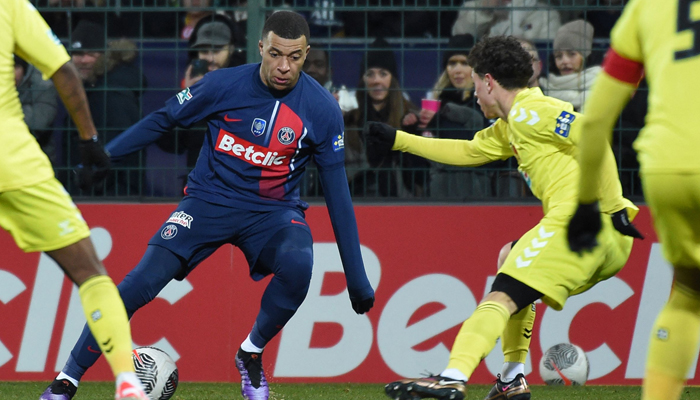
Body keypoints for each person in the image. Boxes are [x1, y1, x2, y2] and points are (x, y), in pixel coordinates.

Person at [39, 10, 375, 400]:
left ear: (306, 53)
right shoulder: (221, 84)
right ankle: (66, 380)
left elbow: (338, 195)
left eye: (295, 57)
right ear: (261, 47)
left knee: (300, 265)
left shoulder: (322, 110)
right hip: (206, 204)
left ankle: (250, 353)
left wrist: (356, 276)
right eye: (276, 54)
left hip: (273, 214)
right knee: (135, 286)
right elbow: (164, 119)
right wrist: (106, 157)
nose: (284, 66)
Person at [365, 35, 643, 400]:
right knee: (508, 260)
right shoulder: (512, 125)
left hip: (582, 222)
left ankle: (452, 377)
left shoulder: (531, 112)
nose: (475, 93)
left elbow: (591, 134)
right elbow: (468, 150)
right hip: (603, 239)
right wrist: (399, 139)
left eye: (477, 83)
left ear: (489, 81)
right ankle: (511, 379)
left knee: (502, 296)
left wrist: (613, 204)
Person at [2, 1, 148, 400]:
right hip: (12, 160)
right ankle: (127, 381)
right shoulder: (10, 8)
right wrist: (89, 139)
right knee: (91, 273)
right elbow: (64, 71)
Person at [566, 1, 700, 399]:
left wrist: (587, 202)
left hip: (667, 167)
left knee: (689, 294)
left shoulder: (647, 7)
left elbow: (594, 120)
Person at [402, 34, 489, 198]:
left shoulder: (485, 102)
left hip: (475, 195)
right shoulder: (437, 104)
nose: (457, 69)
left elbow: (469, 145)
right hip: (439, 194)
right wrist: (413, 131)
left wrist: (437, 122)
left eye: (464, 63)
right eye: (452, 63)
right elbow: (421, 167)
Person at [66, 20, 146, 196]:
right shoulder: (89, 88)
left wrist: (91, 188)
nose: (84, 60)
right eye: (78, 53)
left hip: (114, 196)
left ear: (105, 55)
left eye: (91, 53)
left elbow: (118, 154)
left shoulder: (111, 93)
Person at [344, 38, 422, 197]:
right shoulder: (350, 121)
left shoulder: (412, 117)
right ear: (362, 80)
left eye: (383, 74)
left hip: (406, 206)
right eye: (370, 74)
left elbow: (421, 178)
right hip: (360, 205)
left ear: (392, 79)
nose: (376, 80)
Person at [539, 20, 601, 112]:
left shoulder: (601, 83)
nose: (564, 61)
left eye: (571, 54)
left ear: (586, 56)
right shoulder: (542, 88)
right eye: (558, 56)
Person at [15, 55, 59, 162]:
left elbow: (38, 123)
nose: (8, 73)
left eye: (15, 66)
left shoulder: (43, 86)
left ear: (24, 69)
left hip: (36, 161)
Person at [451, 0, 561, 40]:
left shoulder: (547, 14)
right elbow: (460, 39)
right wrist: (484, 10)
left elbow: (545, 54)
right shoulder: (473, 6)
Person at [303, 48, 357, 112]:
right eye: (305, 64)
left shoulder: (344, 102)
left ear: (329, 72)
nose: (311, 70)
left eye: (319, 64)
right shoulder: (290, 98)